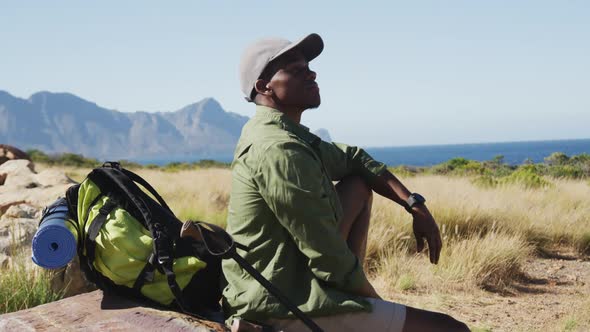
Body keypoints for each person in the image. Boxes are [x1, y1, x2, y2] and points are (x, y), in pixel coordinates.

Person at [222, 33, 469, 332]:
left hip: (294, 283)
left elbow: (353, 159)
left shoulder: (290, 136)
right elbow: (324, 252)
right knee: (450, 329)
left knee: (358, 184)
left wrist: (413, 204)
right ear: (264, 87)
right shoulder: (278, 149)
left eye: (309, 67)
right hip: (281, 301)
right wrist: (375, 301)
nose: (311, 73)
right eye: (296, 70)